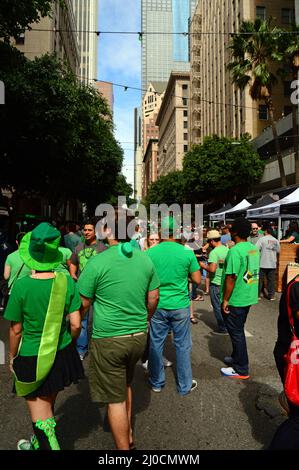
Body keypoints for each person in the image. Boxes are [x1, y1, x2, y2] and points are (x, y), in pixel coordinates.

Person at [77, 209, 160, 450]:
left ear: (108, 231)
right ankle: (129, 431)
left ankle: (125, 450)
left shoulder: (98, 262)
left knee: (114, 400)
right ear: (133, 230)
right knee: (124, 384)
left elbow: (82, 303)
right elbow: (154, 297)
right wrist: (146, 318)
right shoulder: (144, 258)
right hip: (137, 337)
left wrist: (74, 328)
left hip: (108, 339)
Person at [4, 222, 83, 450]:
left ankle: (46, 444)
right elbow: (76, 323)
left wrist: (12, 356)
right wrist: (70, 342)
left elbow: (16, 329)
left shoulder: (21, 286)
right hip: (61, 353)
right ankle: (37, 443)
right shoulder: (66, 280)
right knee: (46, 406)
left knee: (41, 419)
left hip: (32, 356)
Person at [147, 216, 201, 395]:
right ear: (177, 232)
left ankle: (156, 382)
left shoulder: (150, 252)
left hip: (158, 305)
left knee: (155, 343)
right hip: (180, 305)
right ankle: (184, 385)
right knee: (183, 345)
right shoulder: (186, 252)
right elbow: (197, 279)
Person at [220, 218, 259, 379]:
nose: (229, 231)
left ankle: (241, 368)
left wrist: (226, 299)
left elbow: (231, 277)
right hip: (248, 295)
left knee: (236, 332)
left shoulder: (235, 251)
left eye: (230, 229)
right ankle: (236, 358)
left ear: (234, 232)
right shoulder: (252, 248)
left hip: (236, 298)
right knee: (238, 329)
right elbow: (250, 271)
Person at [69, 221, 107, 360]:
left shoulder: (103, 248)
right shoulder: (78, 247)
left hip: (99, 290)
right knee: (82, 320)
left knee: (100, 319)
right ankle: (81, 349)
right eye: (84, 230)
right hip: (82, 289)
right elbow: (72, 263)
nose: (86, 232)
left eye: (89, 230)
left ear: (95, 232)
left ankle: (100, 349)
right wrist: (73, 275)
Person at [141, 232, 172, 369]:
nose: (154, 241)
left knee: (160, 333)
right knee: (149, 331)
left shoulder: (161, 255)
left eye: (156, 239)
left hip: (163, 298)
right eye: (151, 239)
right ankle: (146, 358)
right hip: (148, 297)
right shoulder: (144, 255)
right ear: (147, 241)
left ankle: (157, 357)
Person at [199, 230, 229, 334]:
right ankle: (228, 324)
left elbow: (212, 269)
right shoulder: (226, 249)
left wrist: (202, 265)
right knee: (225, 305)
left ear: (211, 241)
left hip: (216, 282)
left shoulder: (214, 252)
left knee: (216, 306)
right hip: (225, 281)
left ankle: (222, 327)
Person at [256, 224, 280, 301]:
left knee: (260, 280)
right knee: (271, 281)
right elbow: (278, 251)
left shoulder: (262, 239)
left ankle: (257, 295)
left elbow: (256, 249)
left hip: (262, 263)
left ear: (266, 231)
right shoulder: (276, 240)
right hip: (272, 263)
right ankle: (271, 296)